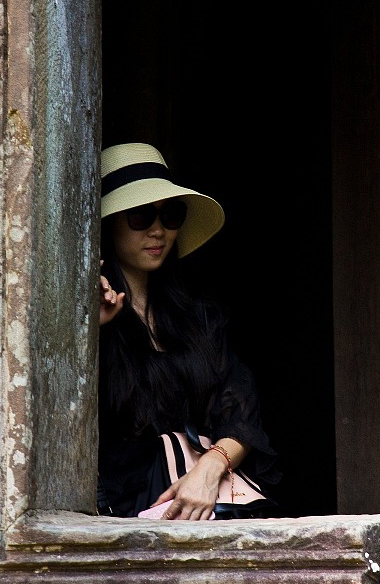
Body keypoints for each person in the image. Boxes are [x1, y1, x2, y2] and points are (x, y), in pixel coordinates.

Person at [96, 143, 279, 520]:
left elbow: (241, 412)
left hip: (211, 499)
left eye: (170, 214)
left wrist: (209, 468)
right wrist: (90, 332)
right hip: (128, 511)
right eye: (140, 215)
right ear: (108, 223)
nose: (158, 230)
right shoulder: (87, 321)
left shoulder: (199, 318)